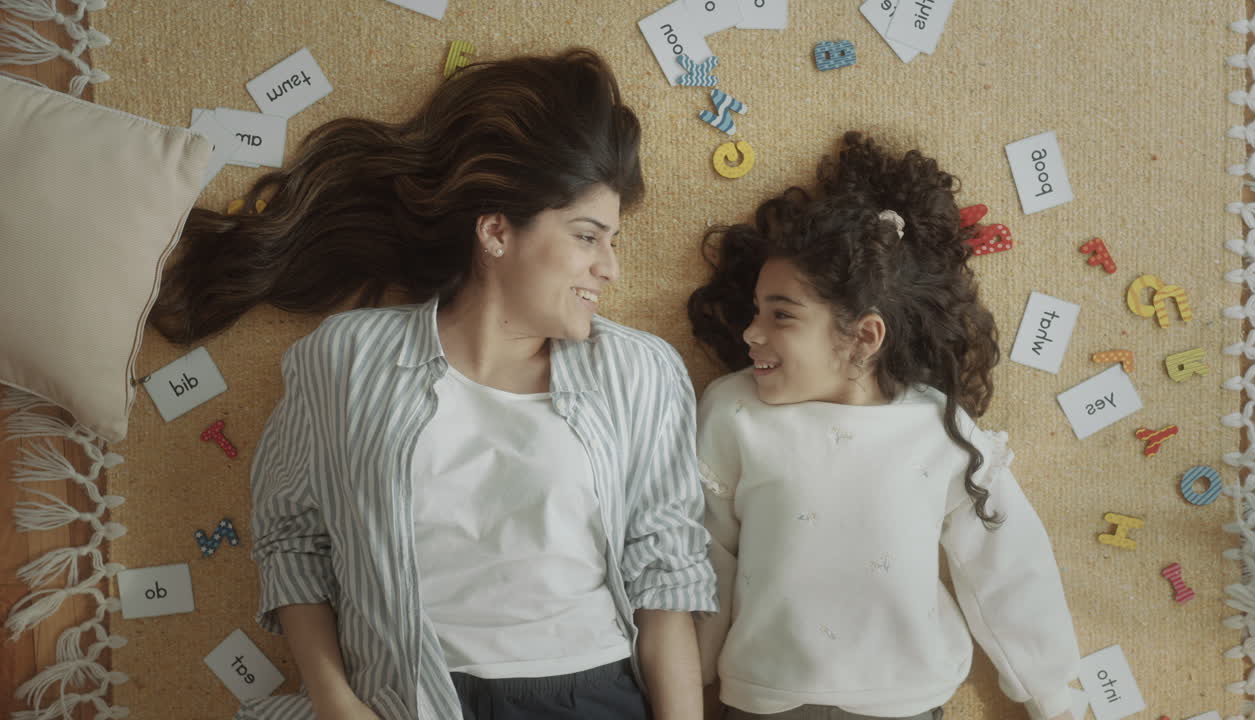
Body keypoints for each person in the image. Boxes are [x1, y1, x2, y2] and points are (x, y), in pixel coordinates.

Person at [151, 49, 716, 720]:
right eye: (588, 237)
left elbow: (666, 585)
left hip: (590, 693)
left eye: (613, 241)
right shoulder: (347, 359)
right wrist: (335, 700)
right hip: (407, 697)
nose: (610, 268)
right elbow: (292, 540)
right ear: (497, 231)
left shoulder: (641, 373)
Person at [685, 132, 1079, 720]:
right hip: (764, 695)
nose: (751, 332)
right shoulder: (734, 412)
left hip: (908, 696)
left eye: (781, 315)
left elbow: (1008, 565)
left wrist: (1051, 695)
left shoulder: (939, 429)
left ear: (863, 336)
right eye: (755, 311)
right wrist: (686, 680)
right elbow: (705, 556)